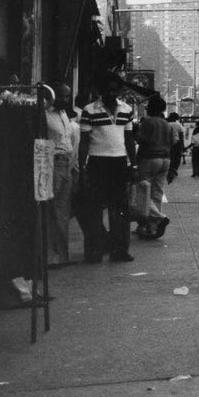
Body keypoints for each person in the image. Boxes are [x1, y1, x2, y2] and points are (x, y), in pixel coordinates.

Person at [76, 76, 138, 263]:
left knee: (119, 210)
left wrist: (133, 165)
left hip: (119, 164)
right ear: (101, 92)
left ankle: (119, 251)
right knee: (94, 210)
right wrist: (83, 168)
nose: (112, 94)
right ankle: (94, 251)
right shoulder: (89, 110)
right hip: (97, 163)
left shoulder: (126, 109)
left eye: (115, 90)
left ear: (119, 91)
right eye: (108, 90)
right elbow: (84, 142)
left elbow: (129, 139)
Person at [42, 82, 81, 267]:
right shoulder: (44, 115)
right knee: (52, 211)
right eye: (62, 96)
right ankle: (52, 255)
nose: (65, 99)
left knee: (63, 212)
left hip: (67, 164)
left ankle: (62, 255)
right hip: (53, 163)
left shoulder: (65, 115)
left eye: (67, 96)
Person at [133, 94, 173, 240]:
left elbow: (143, 142)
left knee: (142, 192)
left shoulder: (148, 122)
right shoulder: (166, 124)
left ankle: (159, 218)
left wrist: (136, 163)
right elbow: (172, 144)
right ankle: (152, 228)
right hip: (165, 160)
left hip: (149, 159)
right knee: (157, 194)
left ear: (150, 108)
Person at [166, 112, 185, 185]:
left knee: (170, 156)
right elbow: (181, 135)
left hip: (168, 143)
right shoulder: (178, 125)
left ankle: (170, 169)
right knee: (177, 157)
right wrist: (183, 145)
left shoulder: (166, 124)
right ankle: (174, 169)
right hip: (177, 143)